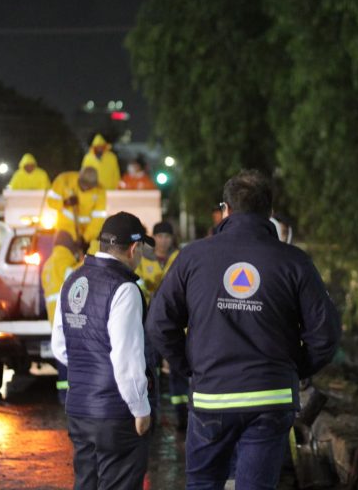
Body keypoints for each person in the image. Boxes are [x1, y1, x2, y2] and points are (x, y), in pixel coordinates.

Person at [146, 169, 341, 489]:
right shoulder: (294, 262)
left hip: (211, 396)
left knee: (205, 482)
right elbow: (326, 334)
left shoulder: (192, 257)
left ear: (226, 209)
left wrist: (190, 367)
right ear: (270, 212)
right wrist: (294, 368)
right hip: (270, 398)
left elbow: (158, 323)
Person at [51, 212, 155, 490]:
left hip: (79, 411)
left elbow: (61, 347)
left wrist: (90, 369)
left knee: (86, 483)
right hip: (116, 414)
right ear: (134, 248)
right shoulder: (125, 289)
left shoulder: (71, 281)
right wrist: (141, 409)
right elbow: (127, 358)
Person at [136, 221, 187, 430]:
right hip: (148, 323)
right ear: (154, 238)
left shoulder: (180, 257)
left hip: (175, 322)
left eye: (167, 236)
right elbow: (136, 283)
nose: (164, 240)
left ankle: (183, 416)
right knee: (150, 370)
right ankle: (151, 415)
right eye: (160, 236)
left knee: (179, 369)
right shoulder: (143, 259)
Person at [42, 231, 81, 404]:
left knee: (62, 358)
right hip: (68, 317)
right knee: (71, 359)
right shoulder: (64, 261)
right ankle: (70, 398)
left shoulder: (48, 264)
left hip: (54, 318)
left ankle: (64, 396)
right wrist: (86, 261)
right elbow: (75, 277)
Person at [46, 168, 107, 250]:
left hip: (85, 232)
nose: (85, 188)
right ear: (79, 178)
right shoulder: (65, 180)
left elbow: (98, 220)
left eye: (88, 187)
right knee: (61, 254)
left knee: (91, 256)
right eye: (83, 185)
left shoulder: (99, 192)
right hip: (65, 229)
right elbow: (51, 202)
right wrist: (65, 203)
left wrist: (86, 239)